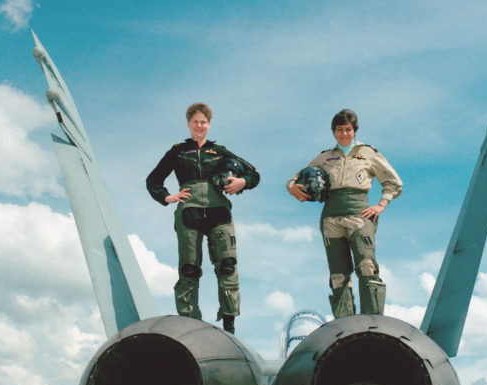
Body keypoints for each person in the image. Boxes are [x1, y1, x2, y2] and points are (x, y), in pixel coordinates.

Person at [147, 103, 259, 334]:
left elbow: (254, 174)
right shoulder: (177, 151)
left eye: (204, 122)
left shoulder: (219, 151)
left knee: (227, 265)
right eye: (195, 122)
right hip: (189, 212)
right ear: (189, 124)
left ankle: (229, 325)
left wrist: (242, 182)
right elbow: (153, 180)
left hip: (219, 212)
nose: (199, 126)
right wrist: (167, 197)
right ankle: (189, 323)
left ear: (209, 124)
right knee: (189, 268)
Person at [286, 109, 402, 318]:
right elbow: (296, 178)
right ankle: (345, 325)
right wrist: (292, 187)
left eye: (348, 129)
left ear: (354, 131)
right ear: (334, 132)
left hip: (360, 214)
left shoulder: (368, 153)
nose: (344, 134)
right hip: (331, 216)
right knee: (339, 275)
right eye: (339, 130)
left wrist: (381, 204)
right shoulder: (325, 157)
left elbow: (393, 182)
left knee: (367, 266)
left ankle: (372, 322)